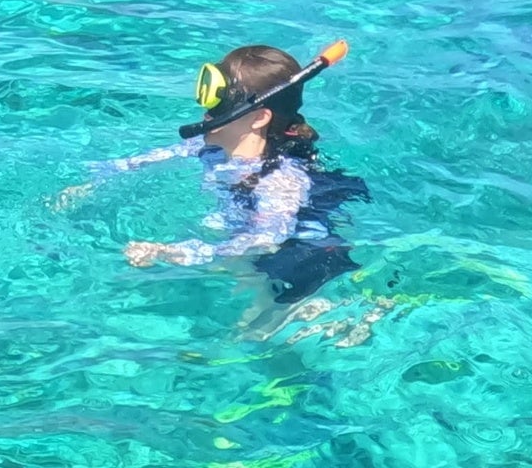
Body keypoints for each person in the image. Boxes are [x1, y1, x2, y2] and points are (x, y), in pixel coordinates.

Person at [103, 39, 370, 323]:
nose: (207, 109)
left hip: (299, 260)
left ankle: (353, 310)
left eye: (220, 98)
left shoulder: (280, 180)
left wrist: (178, 252)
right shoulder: (210, 148)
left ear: (258, 118)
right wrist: (89, 183)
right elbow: (138, 162)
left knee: (256, 332)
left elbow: (266, 238)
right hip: (252, 249)